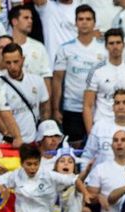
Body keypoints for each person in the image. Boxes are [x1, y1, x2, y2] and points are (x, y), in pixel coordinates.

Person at [52, 5, 107, 148]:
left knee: (98, 146)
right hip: (72, 108)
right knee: (74, 148)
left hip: (98, 108)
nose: (84, 22)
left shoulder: (104, 49)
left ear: (94, 23)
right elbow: (57, 80)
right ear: (75, 23)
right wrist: (55, 109)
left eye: (88, 19)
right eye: (80, 19)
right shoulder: (65, 49)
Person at [82, 28, 125, 134]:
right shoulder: (96, 71)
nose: (115, 46)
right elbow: (88, 105)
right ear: (106, 46)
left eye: (118, 43)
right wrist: (90, 134)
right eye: (111, 43)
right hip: (103, 125)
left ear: (123, 45)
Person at [0, 43, 49, 144]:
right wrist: (9, 136)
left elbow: (45, 110)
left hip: (33, 140)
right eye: (8, 63)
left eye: (16, 61)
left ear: (23, 59)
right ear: (3, 62)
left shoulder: (37, 81)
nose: (12, 66)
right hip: (10, 142)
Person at [7, 5, 51, 91]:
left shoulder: (39, 47)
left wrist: (47, 103)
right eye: (26, 18)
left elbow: (46, 78)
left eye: (31, 18)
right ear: (15, 21)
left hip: (34, 100)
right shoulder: (3, 45)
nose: (30, 21)